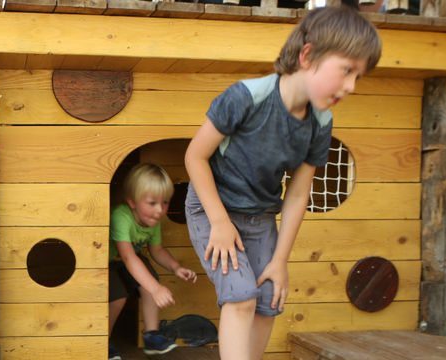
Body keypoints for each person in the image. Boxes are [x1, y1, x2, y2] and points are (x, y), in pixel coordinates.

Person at [183, 6, 382, 360]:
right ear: (308, 55)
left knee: (268, 298)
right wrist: (219, 222)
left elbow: (298, 193)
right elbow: (194, 158)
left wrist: (280, 260)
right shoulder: (246, 97)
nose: (351, 86)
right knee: (241, 296)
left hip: (259, 218)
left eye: (358, 77)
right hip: (211, 205)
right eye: (347, 70)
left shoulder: (320, 123)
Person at [108, 163, 198, 360]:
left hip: (128, 259)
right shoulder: (120, 216)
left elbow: (156, 250)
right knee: (117, 297)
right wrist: (156, 288)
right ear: (132, 202)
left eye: (164, 203)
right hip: (107, 261)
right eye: (152, 203)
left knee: (150, 282)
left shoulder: (153, 220)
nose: (159, 210)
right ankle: (103, 340)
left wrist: (176, 267)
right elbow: (128, 256)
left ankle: (151, 336)